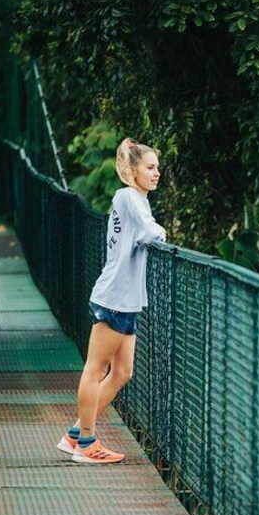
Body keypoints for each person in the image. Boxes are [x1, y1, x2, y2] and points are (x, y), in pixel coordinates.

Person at [57, 137, 167, 464]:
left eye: (157, 167)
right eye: (150, 167)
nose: (157, 173)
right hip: (116, 297)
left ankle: (75, 435)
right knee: (95, 368)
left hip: (126, 299)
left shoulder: (133, 200)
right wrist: (162, 234)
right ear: (133, 171)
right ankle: (87, 444)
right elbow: (149, 232)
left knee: (122, 372)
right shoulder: (129, 197)